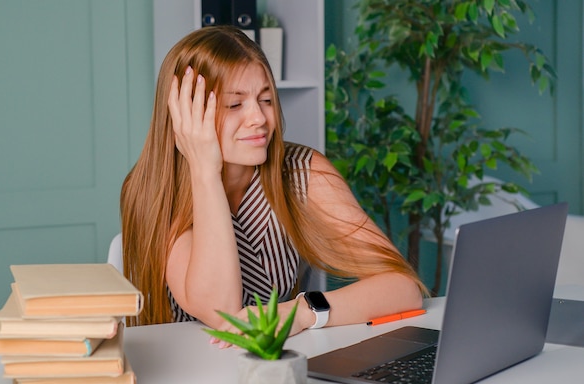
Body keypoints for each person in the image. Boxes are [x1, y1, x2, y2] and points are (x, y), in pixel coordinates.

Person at [120, 25, 427, 340]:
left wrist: (301, 313)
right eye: (235, 104)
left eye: (265, 100)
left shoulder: (302, 172)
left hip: (277, 366)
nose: (259, 118)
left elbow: (405, 289)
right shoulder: (154, 189)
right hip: (192, 374)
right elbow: (221, 310)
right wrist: (204, 171)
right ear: (186, 114)